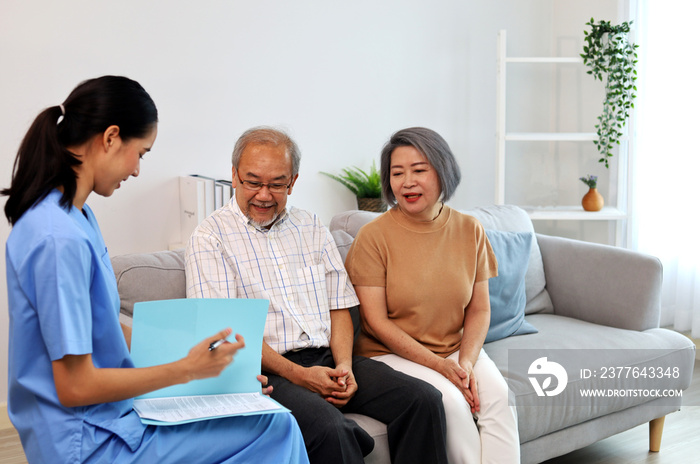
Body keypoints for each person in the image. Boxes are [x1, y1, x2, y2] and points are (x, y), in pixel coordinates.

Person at [2, 76, 308, 464]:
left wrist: (214, 370)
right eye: (141, 153)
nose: (137, 171)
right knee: (275, 427)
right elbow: (75, 386)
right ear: (111, 138)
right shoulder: (58, 238)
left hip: (105, 418)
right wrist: (187, 370)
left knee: (259, 413)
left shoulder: (75, 216)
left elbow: (103, 324)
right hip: (85, 441)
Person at [185, 126, 448, 464]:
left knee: (423, 399)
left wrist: (344, 365)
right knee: (330, 429)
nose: (264, 195)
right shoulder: (210, 237)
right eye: (253, 182)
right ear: (234, 176)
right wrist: (302, 376)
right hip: (272, 372)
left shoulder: (311, 226)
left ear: (293, 181)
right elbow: (229, 331)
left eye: (277, 184)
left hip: (329, 356)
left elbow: (339, 307)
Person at [344, 127, 520, 464]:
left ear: (443, 172)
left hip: (456, 349)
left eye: (419, 170)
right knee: (451, 402)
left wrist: (465, 363)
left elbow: (480, 310)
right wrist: (442, 368)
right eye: (397, 173)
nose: (407, 182)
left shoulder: (470, 229)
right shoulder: (373, 237)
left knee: (498, 396)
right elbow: (376, 322)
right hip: (393, 354)